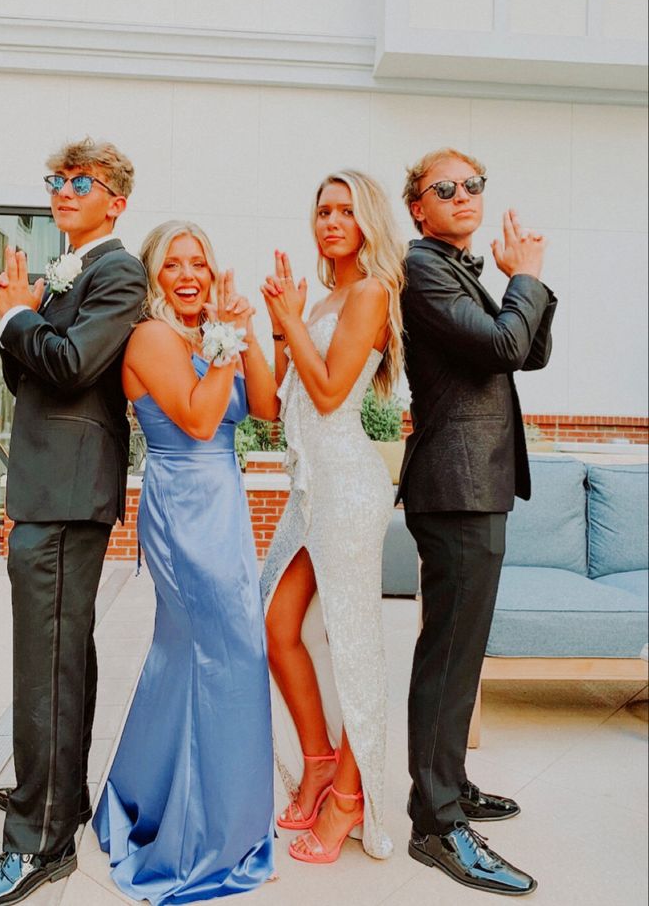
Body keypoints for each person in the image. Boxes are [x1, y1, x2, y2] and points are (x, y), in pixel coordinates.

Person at [0, 138, 147, 906]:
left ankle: (38, 843)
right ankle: (58, 795)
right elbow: (30, 369)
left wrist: (19, 313)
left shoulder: (118, 272)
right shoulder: (68, 272)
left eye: (80, 181)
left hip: (67, 494)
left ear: (115, 200)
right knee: (63, 660)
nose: (63, 190)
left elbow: (67, 366)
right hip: (45, 487)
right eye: (56, 180)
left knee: (46, 670)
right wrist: (20, 319)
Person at [92, 221, 278, 904]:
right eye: (174, 265)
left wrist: (244, 330)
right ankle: (200, 833)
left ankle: (146, 794)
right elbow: (200, 422)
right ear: (153, 277)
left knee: (191, 657)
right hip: (184, 509)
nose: (190, 274)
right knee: (228, 654)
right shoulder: (152, 337)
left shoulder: (211, 336)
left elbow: (266, 407)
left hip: (223, 506)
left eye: (200, 261)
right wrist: (223, 341)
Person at [398, 147, 557, 896]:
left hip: (478, 482)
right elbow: (502, 344)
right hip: (454, 484)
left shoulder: (463, 269)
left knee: (462, 652)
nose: (464, 194)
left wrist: (528, 279)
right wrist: (522, 279)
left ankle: (449, 787)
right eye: (446, 187)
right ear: (417, 207)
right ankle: (435, 824)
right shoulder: (422, 267)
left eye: (474, 185)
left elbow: (528, 353)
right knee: (448, 653)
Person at [259, 170, 404, 865]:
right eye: (322, 210)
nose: (331, 221)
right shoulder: (325, 295)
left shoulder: (373, 291)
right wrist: (280, 325)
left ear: (369, 221)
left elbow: (327, 395)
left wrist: (290, 322)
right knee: (275, 624)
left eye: (345, 210)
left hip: (348, 486)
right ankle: (317, 761)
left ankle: (350, 799)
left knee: (353, 644)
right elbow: (290, 396)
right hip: (310, 487)